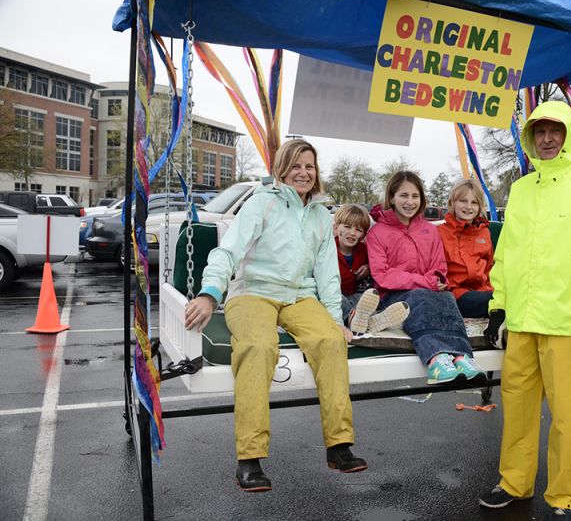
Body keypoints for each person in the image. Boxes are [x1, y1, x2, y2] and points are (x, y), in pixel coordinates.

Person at [184, 139, 367, 493]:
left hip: (299, 296)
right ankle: (249, 459)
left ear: (317, 173)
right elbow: (228, 251)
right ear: (282, 169)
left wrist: (335, 320)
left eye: (309, 166)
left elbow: (327, 273)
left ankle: (339, 446)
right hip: (254, 292)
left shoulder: (320, 215)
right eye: (296, 165)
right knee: (258, 345)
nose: (303, 172)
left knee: (329, 341)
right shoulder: (261, 204)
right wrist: (209, 294)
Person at [478, 101, 571, 517]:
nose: (547, 139)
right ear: (529, 137)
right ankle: (515, 482)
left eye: (555, 131)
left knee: (567, 416)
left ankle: (562, 495)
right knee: (518, 409)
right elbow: (506, 254)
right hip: (523, 322)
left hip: (567, 324)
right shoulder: (522, 189)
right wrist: (498, 305)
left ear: (568, 136)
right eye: (539, 132)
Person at [365, 171, 486, 385]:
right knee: (423, 296)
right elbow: (382, 276)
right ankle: (436, 357)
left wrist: (435, 281)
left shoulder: (429, 231)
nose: (410, 202)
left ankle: (462, 356)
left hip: (428, 289)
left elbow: (438, 268)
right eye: (403, 195)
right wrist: (425, 281)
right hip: (394, 295)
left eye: (415, 196)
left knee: (447, 297)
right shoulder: (378, 233)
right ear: (391, 197)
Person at [333, 203, 409, 335]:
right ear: (335, 228)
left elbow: (378, 264)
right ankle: (359, 320)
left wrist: (369, 266)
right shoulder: (328, 248)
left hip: (355, 295)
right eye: (347, 227)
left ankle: (370, 319)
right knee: (336, 299)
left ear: (363, 235)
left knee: (366, 298)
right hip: (335, 294)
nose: (352, 233)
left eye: (358, 230)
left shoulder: (365, 250)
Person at [437, 178, 494, 318]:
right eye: (463, 201)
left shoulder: (484, 232)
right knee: (493, 302)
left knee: (510, 298)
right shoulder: (440, 232)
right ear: (452, 202)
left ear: (480, 207)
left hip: (483, 290)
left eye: (474, 202)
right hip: (456, 292)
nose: (468, 207)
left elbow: (490, 266)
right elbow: (433, 266)